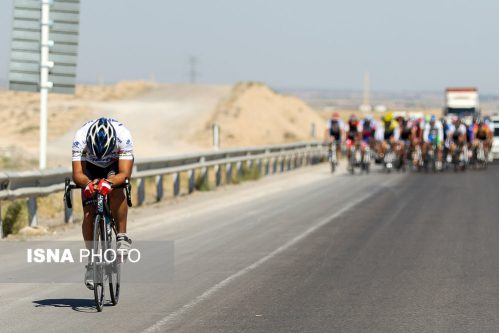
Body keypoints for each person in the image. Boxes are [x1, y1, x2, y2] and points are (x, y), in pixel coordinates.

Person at [71, 117, 134, 290]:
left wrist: (110, 183)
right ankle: (92, 263)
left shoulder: (123, 135)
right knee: (89, 214)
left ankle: (121, 235)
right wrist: (87, 184)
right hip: (89, 167)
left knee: (117, 189)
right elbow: (77, 174)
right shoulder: (80, 137)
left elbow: (125, 173)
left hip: (114, 166)